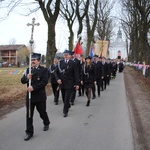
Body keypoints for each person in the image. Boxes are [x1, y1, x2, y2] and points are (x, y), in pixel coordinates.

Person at [21, 53, 50, 141]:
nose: (33, 61)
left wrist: (33, 87)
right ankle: (29, 132)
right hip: (30, 97)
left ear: (39, 61)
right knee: (29, 115)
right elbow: (22, 81)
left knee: (42, 112)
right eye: (32, 60)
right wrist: (26, 77)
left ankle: (46, 122)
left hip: (40, 96)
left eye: (34, 60)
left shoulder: (44, 70)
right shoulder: (28, 70)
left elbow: (44, 82)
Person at [54, 50, 79, 117]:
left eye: (67, 55)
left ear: (70, 55)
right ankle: (67, 105)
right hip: (62, 83)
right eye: (64, 55)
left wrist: (77, 84)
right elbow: (55, 72)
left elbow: (76, 74)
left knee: (67, 97)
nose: (65, 56)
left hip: (70, 83)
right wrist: (58, 79)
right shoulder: (60, 63)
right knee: (63, 97)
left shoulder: (73, 63)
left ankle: (65, 112)